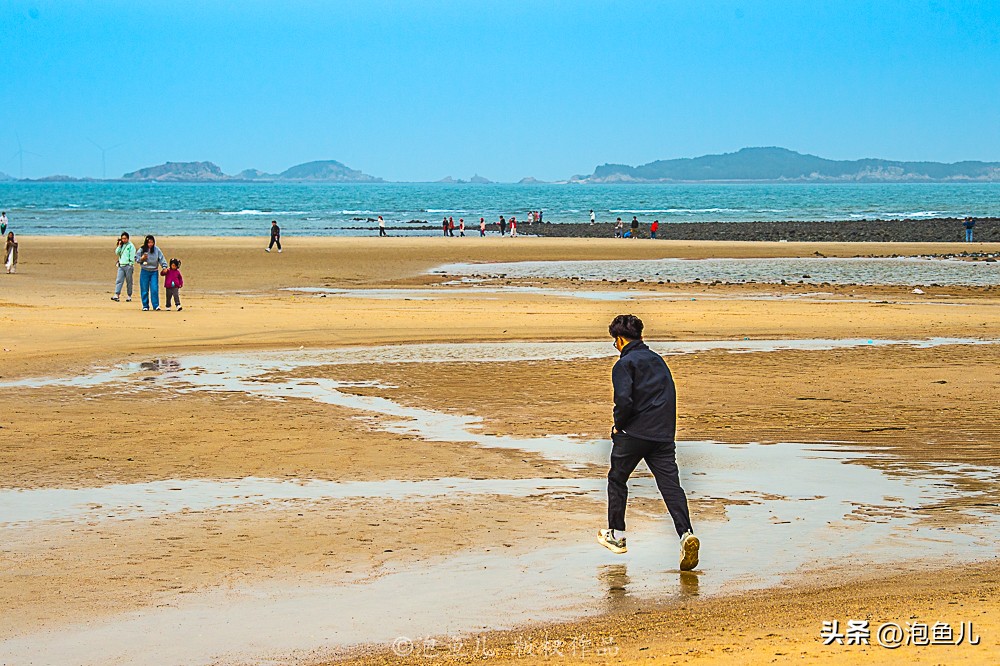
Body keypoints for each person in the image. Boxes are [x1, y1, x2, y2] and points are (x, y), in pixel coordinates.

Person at [597, 314, 699, 572]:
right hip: (663, 435)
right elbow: (669, 394)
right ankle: (686, 534)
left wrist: (619, 425)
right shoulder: (658, 360)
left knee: (617, 479)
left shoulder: (624, 364)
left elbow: (624, 401)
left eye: (614, 342)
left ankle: (617, 535)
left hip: (634, 434)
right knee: (671, 487)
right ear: (641, 336)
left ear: (620, 340)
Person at [136, 234, 167, 311]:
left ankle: (156, 305)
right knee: (144, 289)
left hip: (154, 271)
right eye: (149, 242)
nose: (150, 244)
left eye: (152, 242)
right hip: (144, 271)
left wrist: (164, 267)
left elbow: (161, 258)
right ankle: (145, 305)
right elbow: (136, 259)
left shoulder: (156, 250)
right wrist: (142, 258)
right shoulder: (142, 250)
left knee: (154, 288)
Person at [112, 231, 136, 302]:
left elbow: (132, 255)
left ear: (128, 238)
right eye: (122, 238)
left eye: (125, 238)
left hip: (128, 265)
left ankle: (129, 295)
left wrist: (131, 263)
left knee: (129, 281)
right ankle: (117, 294)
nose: (124, 240)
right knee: (119, 280)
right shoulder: (121, 245)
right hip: (121, 265)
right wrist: (119, 246)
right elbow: (117, 252)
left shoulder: (131, 246)